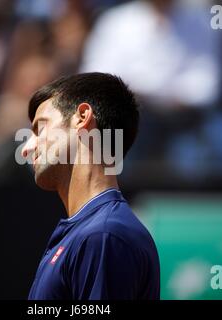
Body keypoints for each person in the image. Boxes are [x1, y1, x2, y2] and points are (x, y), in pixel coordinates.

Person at [21, 72, 160, 300]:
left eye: (40, 129)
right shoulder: (92, 233)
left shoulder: (103, 235)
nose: (26, 148)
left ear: (82, 117)